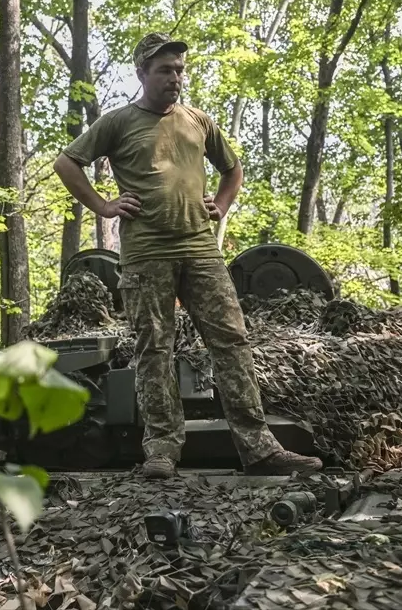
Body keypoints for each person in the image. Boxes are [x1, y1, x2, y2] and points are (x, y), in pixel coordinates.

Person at [53, 32, 324, 479]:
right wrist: (103, 205)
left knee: (232, 343)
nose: (175, 77)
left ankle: (258, 449)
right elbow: (67, 163)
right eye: (165, 70)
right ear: (142, 73)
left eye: (179, 69)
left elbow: (232, 169)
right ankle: (161, 451)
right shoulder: (119, 122)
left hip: (201, 250)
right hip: (145, 256)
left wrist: (221, 204)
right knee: (154, 351)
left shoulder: (198, 120)